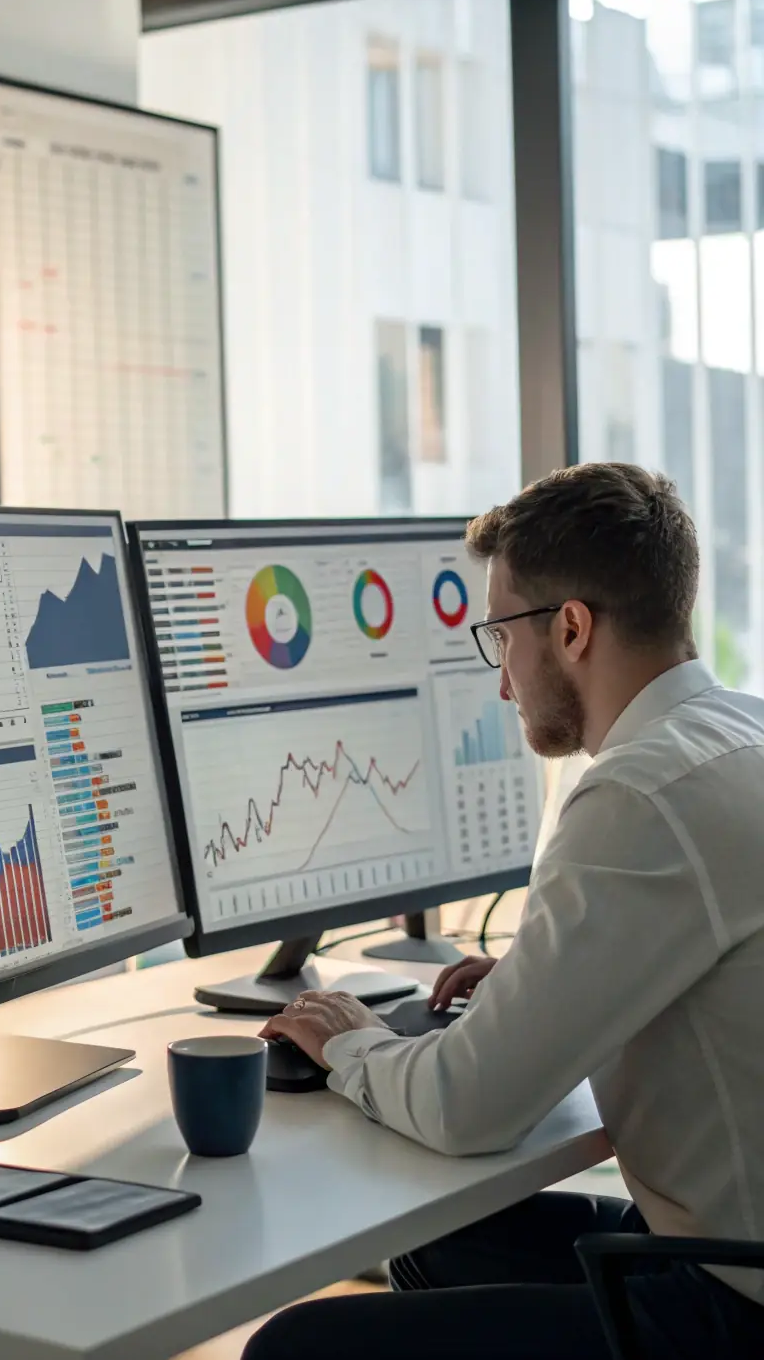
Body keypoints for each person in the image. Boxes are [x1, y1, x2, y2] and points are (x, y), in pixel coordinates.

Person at [243, 463, 764, 1360]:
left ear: (570, 628)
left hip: (728, 1303)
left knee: (295, 1347)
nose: (501, 680)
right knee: (435, 1242)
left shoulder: (637, 798)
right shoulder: (740, 730)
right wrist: (537, 981)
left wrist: (352, 1041)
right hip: (730, 1247)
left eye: (500, 636)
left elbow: (468, 1107)